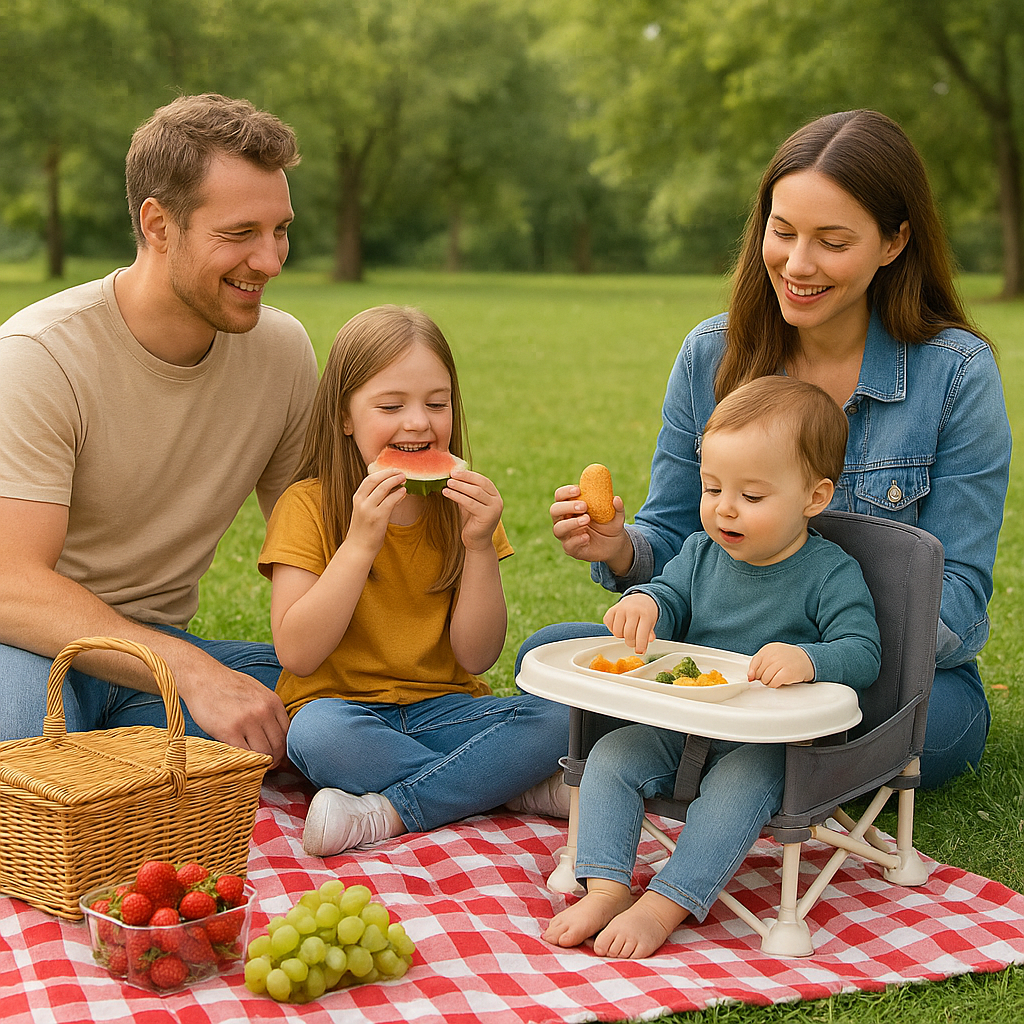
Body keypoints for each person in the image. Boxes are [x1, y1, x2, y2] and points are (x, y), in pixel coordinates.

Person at [523, 109, 1011, 791]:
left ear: (894, 242)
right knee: (549, 652)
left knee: (939, 728)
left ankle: (693, 749)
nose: (798, 264)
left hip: (864, 672)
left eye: (832, 242)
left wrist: (820, 661)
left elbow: (955, 589)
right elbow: (673, 534)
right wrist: (619, 549)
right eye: (782, 233)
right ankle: (728, 748)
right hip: (710, 654)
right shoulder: (710, 356)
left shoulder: (955, 375)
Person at [0, 94, 319, 764]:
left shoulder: (282, 352)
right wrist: (192, 673)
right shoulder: (39, 355)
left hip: (154, 663)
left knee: (346, 718)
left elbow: (314, 536)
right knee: (20, 747)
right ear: (158, 224)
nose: (270, 261)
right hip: (29, 650)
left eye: (280, 230)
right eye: (239, 235)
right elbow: (10, 583)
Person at [543, 375, 881, 959]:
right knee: (612, 756)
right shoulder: (701, 552)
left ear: (814, 498)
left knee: (738, 790)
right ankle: (605, 886)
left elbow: (864, 651)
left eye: (751, 497)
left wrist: (809, 658)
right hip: (686, 723)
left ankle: (667, 901)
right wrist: (645, 602)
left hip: (768, 744)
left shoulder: (830, 573)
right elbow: (670, 598)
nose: (724, 508)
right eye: (711, 487)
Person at [258, 305, 570, 857]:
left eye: (437, 403)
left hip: (446, 709)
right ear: (344, 416)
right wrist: (359, 543)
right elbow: (298, 653)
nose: (418, 422)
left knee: (558, 717)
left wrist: (478, 545)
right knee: (316, 735)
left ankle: (391, 809)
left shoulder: (459, 511)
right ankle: (502, 785)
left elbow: (477, 657)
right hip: (343, 711)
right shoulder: (307, 506)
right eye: (390, 405)